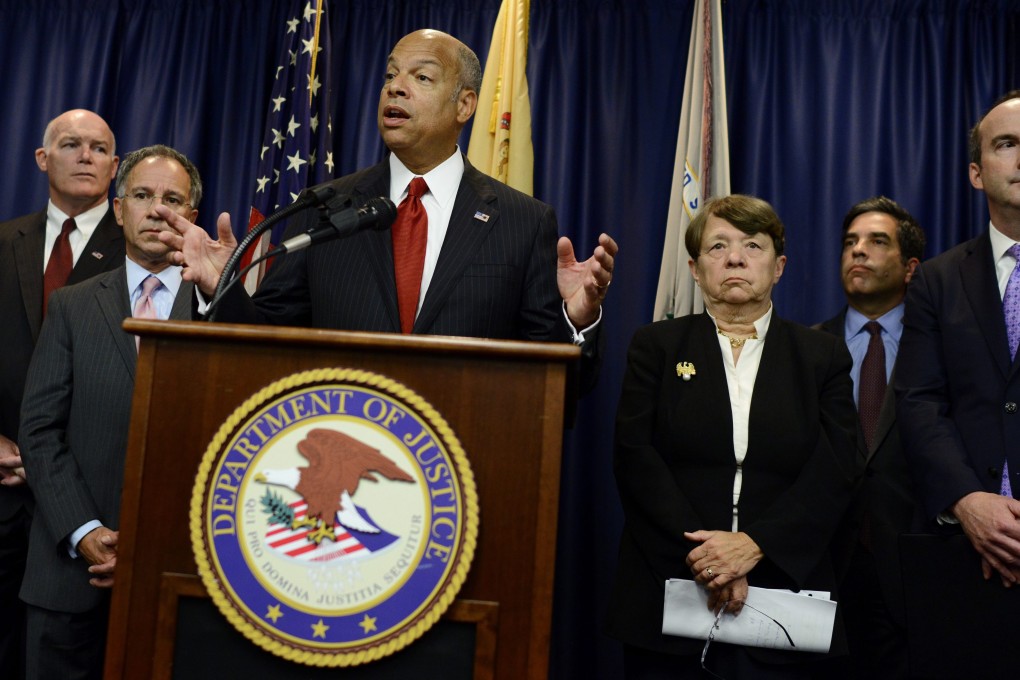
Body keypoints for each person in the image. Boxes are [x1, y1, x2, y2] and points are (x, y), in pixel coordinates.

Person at [156, 29, 616, 356]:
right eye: (391, 75)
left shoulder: (523, 221)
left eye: (422, 77)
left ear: (465, 104)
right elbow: (271, 341)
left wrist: (574, 321)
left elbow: (548, 380)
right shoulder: (323, 206)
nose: (395, 86)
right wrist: (226, 289)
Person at [608, 195, 859, 678]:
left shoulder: (821, 356)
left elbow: (836, 467)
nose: (736, 258)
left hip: (785, 596)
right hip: (671, 590)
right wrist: (711, 562)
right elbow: (635, 459)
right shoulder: (655, 347)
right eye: (717, 246)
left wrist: (756, 545)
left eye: (752, 245)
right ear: (696, 270)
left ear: (779, 266)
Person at [17, 145, 200, 680]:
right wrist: (85, 530)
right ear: (119, 209)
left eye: (172, 199)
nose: (155, 210)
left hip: (175, 577)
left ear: (190, 217)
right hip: (70, 573)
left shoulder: (216, 309)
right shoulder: (72, 306)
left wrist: (156, 543)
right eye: (142, 195)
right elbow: (39, 430)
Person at [894, 91, 1020, 673]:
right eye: (1007, 144)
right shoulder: (936, 281)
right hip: (961, 552)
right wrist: (967, 501)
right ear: (976, 172)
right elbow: (919, 402)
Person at [0, 109, 122, 678]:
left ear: (115, 167)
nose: (86, 156)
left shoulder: (148, 252)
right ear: (43, 160)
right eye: (71, 144)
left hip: (88, 504)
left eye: (99, 148)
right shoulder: (3, 242)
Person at [816, 197, 925, 679]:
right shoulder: (807, 349)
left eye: (877, 242)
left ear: (910, 268)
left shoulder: (938, 346)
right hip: (821, 566)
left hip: (914, 567)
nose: (858, 251)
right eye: (850, 243)